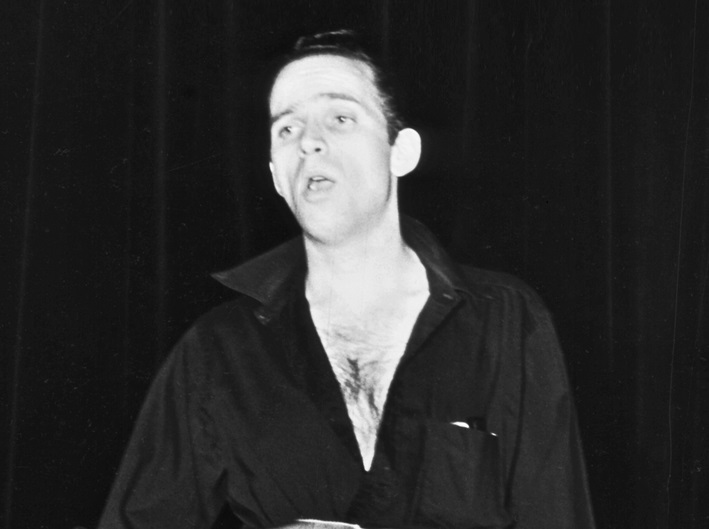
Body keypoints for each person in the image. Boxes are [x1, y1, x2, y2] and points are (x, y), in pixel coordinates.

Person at [98, 30, 596, 529]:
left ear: (401, 151)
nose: (309, 141)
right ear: (275, 175)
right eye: (287, 128)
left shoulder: (505, 320)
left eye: (340, 118)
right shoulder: (217, 352)